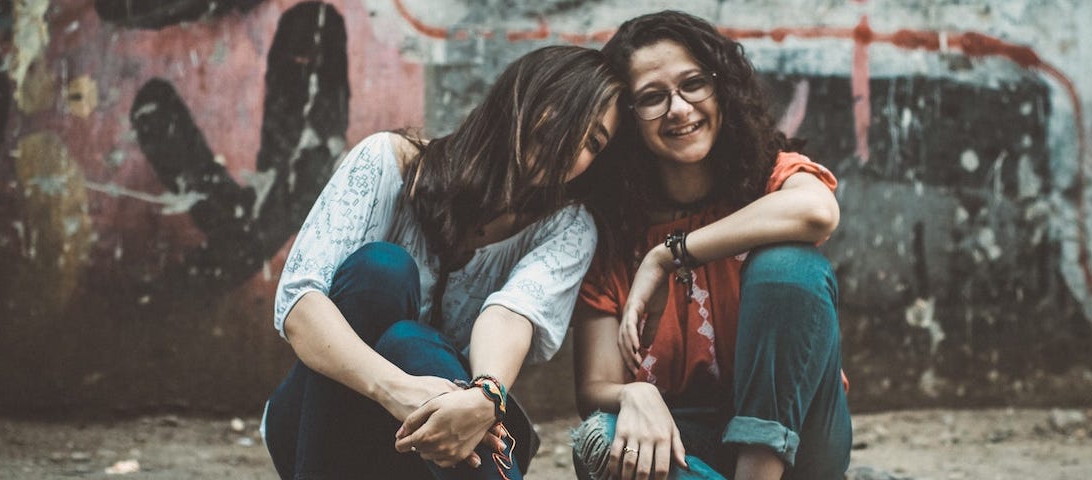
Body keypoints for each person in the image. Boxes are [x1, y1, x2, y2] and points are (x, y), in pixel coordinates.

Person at [261, 45, 623, 480]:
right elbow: (301, 306)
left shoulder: (568, 227)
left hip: (454, 440)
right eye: (568, 111)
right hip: (316, 426)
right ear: (523, 93)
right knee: (382, 269)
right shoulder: (387, 162)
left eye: (594, 142)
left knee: (411, 341)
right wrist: (399, 392)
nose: (572, 142)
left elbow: (511, 314)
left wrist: (484, 397)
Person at [570, 11, 851, 480]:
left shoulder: (768, 179)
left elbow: (817, 212)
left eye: (693, 84)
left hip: (801, 439)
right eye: (653, 98)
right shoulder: (616, 231)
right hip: (687, 440)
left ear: (721, 88)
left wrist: (667, 255)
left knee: (788, 262)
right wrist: (635, 395)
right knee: (599, 442)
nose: (679, 109)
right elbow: (594, 388)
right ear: (629, 119)